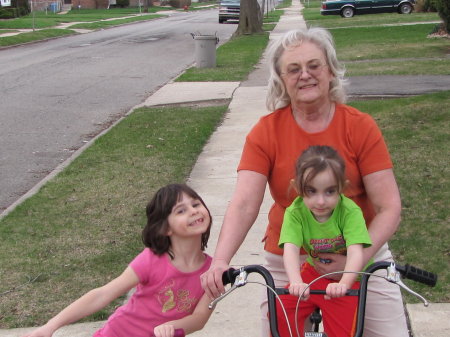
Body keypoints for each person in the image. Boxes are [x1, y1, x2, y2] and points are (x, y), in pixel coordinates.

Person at [201, 27, 409, 337]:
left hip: (359, 253)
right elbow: (244, 204)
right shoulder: (266, 132)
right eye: (294, 69)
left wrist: (355, 262)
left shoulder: (360, 126)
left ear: (330, 70)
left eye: (314, 65)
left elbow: (388, 206)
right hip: (290, 259)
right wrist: (220, 261)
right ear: (281, 79)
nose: (305, 75)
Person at [23, 184, 213, 337]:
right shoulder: (152, 259)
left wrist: (172, 326)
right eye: (181, 210)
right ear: (165, 229)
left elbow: (200, 317)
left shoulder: (213, 271)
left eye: (196, 205)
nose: (193, 211)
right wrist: (50, 327)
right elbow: (102, 294)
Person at [277, 145, 371, 337]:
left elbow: (355, 252)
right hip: (313, 272)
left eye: (329, 191)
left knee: (342, 329)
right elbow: (291, 249)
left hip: (347, 277)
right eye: (311, 191)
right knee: (281, 310)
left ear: (341, 188)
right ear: (297, 187)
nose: (320, 201)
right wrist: (296, 281)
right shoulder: (295, 212)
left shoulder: (349, 212)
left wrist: (344, 283)